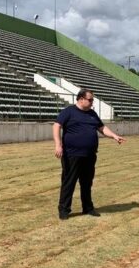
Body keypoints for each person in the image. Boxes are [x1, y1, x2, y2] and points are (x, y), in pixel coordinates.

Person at [53, 88, 125, 220]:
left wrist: (114, 136)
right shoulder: (68, 112)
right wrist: (58, 145)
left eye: (92, 100)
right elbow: (56, 126)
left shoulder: (92, 114)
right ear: (81, 99)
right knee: (69, 182)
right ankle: (64, 210)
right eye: (90, 99)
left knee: (87, 183)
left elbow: (102, 128)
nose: (92, 102)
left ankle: (88, 207)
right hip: (72, 155)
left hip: (89, 155)